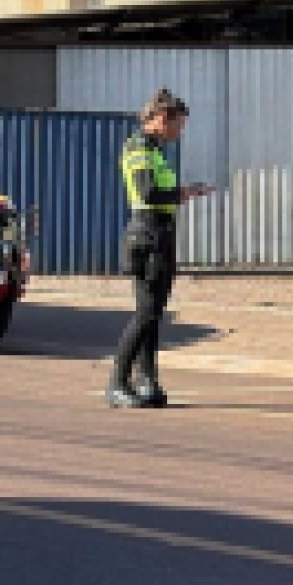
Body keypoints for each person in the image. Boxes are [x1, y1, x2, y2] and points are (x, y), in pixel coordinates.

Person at [107, 89, 212, 409]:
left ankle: (147, 379)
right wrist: (185, 193)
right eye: (177, 126)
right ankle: (118, 382)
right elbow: (148, 191)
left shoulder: (155, 149)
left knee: (153, 315)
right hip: (147, 236)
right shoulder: (139, 147)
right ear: (161, 119)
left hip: (160, 235)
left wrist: (184, 193)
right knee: (145, 314)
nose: (179, 133)